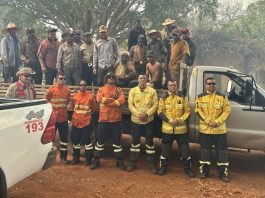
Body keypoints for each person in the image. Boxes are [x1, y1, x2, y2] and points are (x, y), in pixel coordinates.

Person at [195, 77, 231, 182]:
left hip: (219, 130)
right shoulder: (200, 97)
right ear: (205, 85)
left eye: (213, 84)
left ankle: (223, 174)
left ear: (216, 85)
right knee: (205, 151)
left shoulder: (222, 97)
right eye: (209, 83)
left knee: (222, 152)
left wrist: (217, 121)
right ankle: (204, 172)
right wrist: (208, 120)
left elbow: (227, 111)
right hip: (205, 129)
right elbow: (198, 110)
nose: (211, 85)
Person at [157, 80, 195, 177]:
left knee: (185, 151)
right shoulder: (163, 98)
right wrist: (169, 121)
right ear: (168, 86)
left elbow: (187, 111)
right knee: (165, 150)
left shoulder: (182, 98)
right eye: (171, 85)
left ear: (177, 86)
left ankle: (188, 170)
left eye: (174, 85)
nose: (173, 87)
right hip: (167, 129)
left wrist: (180, 120)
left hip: (181, 130)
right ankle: (163, 168)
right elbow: (160, 111)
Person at [90, 72, 126, 171]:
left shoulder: (118, 90)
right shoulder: (101, 89)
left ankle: (119, 161)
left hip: (116, 120)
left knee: (117, 142)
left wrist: (107, 102)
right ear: (106, 79)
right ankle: (96, 160)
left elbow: (122, 101)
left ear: (115, 79)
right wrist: (113, 100)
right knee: (100, 141)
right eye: (109, 77)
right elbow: (98, 99)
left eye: (113, 77)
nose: (111, 79)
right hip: (103, 120)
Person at [127, 74, 158, 174]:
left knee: (149, 143)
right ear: (138, 79)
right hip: (136, 121)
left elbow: (155, 105)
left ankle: (151, 164)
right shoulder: (133, 91)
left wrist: (147, 114)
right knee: (135, 142)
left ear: (147, 80)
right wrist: (139, 115)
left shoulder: (152, 91)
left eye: (144, 78)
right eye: (140, 78)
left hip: (148, 121)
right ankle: (132, 163)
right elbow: (130, 105)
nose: (142, 80)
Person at [45, 73, 71, 164]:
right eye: (60, 78)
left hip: (63, 119)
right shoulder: (51, 89)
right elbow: (47, 100)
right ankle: (48, 159)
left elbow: (67, 101)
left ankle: (63, 158)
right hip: (53, 119)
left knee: (64, 140)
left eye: (64, 78)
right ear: (56, 79)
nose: (62, 80)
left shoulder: (67, 90)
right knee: (50, 140)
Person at [71, 80, 96, 165]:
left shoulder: (90, 96)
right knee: (76, 141)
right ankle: (75, 159)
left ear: (86, 86)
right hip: (76, 122)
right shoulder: (75, 96)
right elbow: (72, 106)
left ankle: (88, 160)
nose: (82, 86)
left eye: (84, 85)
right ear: (79, 86)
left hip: (86, 122)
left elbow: (93, 108)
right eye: (81, 85)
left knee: (87, 142)